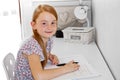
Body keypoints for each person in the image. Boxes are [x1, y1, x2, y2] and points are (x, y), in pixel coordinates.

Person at [14, 4, 80, 80]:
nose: (49, 27)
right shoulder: (32, 46)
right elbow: (39, 76)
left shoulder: (48, 39)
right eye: (44, 23)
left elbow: (40, 53)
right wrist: (66, 68)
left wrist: (48, 55)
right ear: (33, 25)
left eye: (53, 23)